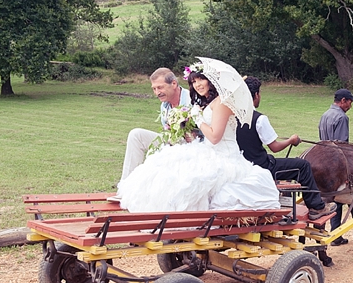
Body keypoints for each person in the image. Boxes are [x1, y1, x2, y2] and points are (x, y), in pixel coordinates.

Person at [116, 63, 280, 212]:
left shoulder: (222, 102)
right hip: (207, 149)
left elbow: (215, 137)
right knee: (167, 164)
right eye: (194, 82)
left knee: (190, 178)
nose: (197, 85)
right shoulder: (207, 102)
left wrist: (198, 119)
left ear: (211, 80)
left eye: (201, 79)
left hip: (224, 155)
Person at [236, 76, 337, 220]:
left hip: (242, 166)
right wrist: (291, 140)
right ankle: (317, 207)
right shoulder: (259, 119)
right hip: (262, 167)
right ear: (256, 95)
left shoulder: (232, 118)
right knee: (302, 166)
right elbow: (275, 147)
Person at [118, 68, 192, 183]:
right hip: (172, 143)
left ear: (173, 84)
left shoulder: (191, 99)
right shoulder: (164, 105)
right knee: (136, 134)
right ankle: (126, 185)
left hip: (193, 147)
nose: (157, 92)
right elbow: (166, 131)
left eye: (160, 87)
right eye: (154, 89)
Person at [318, 88, 353, 246]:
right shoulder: (341, 117)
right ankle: (337, 233)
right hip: (337, 161)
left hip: (324, 158)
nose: (350, 105)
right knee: (343, 194)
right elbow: (342, 145)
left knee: (340, 195)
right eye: (349, 102)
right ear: (343, 101)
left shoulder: (325, 114)